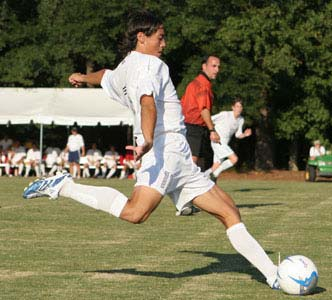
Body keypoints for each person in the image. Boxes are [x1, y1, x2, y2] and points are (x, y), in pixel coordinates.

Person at [23, 10, 279, 290]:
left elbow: (106, 76)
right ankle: (64, 186)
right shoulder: (150, 66)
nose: (164, 43)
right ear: (141, 38)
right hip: (164, 151)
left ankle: (274, 276)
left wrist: (84, 78)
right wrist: (147, 138)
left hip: (177, 155)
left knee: (230, 212)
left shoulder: (128, 64)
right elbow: (147, 103)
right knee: (135, 213)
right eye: (160, 37)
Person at [181, 55, 221, 170]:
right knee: (192, 164)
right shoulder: (203, 85)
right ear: (204, 66)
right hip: (194, 129)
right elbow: (204, 109)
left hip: (190, 127)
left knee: (201, 165)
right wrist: (212, 130)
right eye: (213, 66)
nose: (217, 70)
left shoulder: (194, 83)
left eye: (218, 67)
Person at [205, 98, 252, 182]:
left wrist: (245, 134)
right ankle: (214, 175)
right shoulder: (225, 114)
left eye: (240, 107)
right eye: (237, 106)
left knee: (216, 165)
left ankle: (203, 177)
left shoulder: (241, 119)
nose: (239, 108)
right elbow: (209, 119)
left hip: (225, 143)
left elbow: (238, 135)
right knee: (234, 159)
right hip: (217, 141)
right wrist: (212, 132)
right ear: (233, 107)